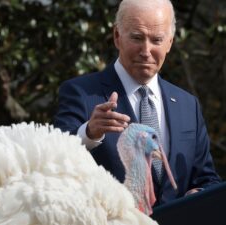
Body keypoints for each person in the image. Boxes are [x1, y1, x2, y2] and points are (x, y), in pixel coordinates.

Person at [53, 0, 221, 206]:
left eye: (157, 40)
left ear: (169, 42)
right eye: (137, 37)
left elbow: (207, 178)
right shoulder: (81, 93)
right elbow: (54, 162)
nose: (146, 50)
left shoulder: (187, 105)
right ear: (117, 36)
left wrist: (199, 194)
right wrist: (89, 132)